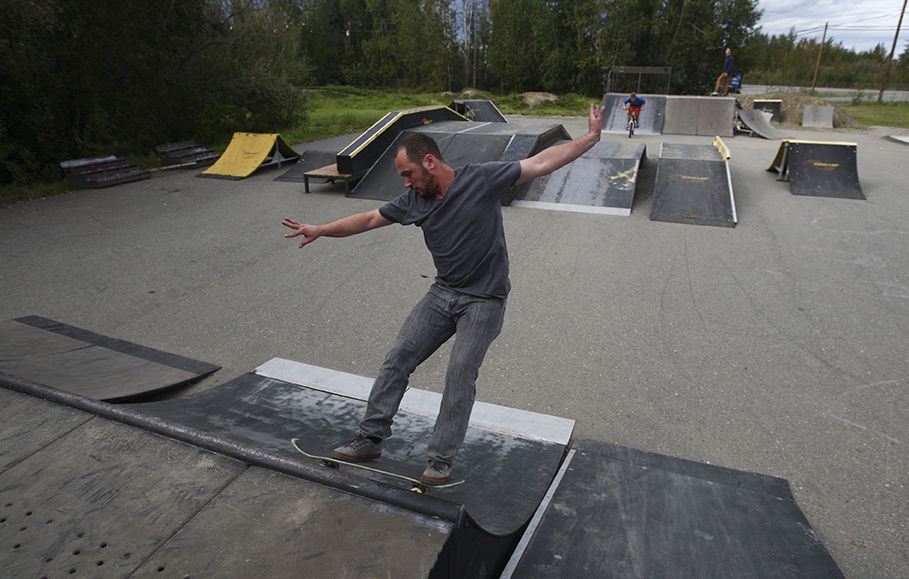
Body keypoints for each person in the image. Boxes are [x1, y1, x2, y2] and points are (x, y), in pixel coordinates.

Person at [282, 103, 606, 485]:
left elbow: (540, 163)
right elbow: (370, 218)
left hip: (484, 301)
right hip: (443, 293)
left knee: (459, 374)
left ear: (430, 162)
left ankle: (440, 460)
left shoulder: (480, 179)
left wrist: (590, 137)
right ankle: (370, 438)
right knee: (398, 358)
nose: (406, 183)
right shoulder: (414, 202)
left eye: (409, 174)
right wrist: (322, 228)